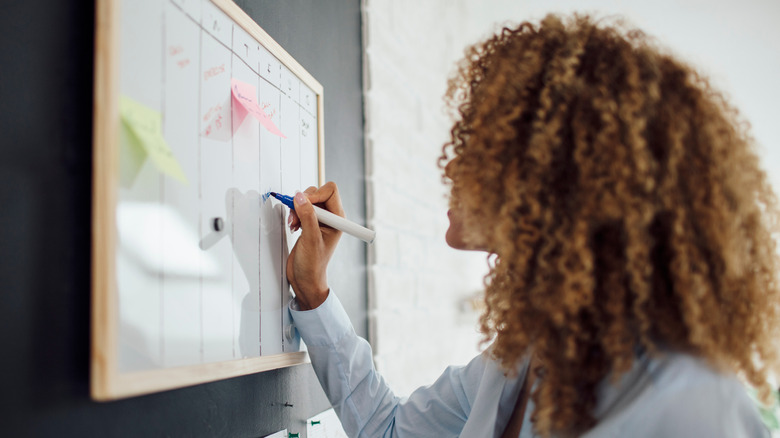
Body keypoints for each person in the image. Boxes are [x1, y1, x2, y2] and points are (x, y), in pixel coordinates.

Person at [284, 13, 780, 438]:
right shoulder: (517, 360)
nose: (452, 167)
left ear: (557, 178)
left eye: (479, 143)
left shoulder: (696, 411)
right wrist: (314, 290)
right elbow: (389, 429)